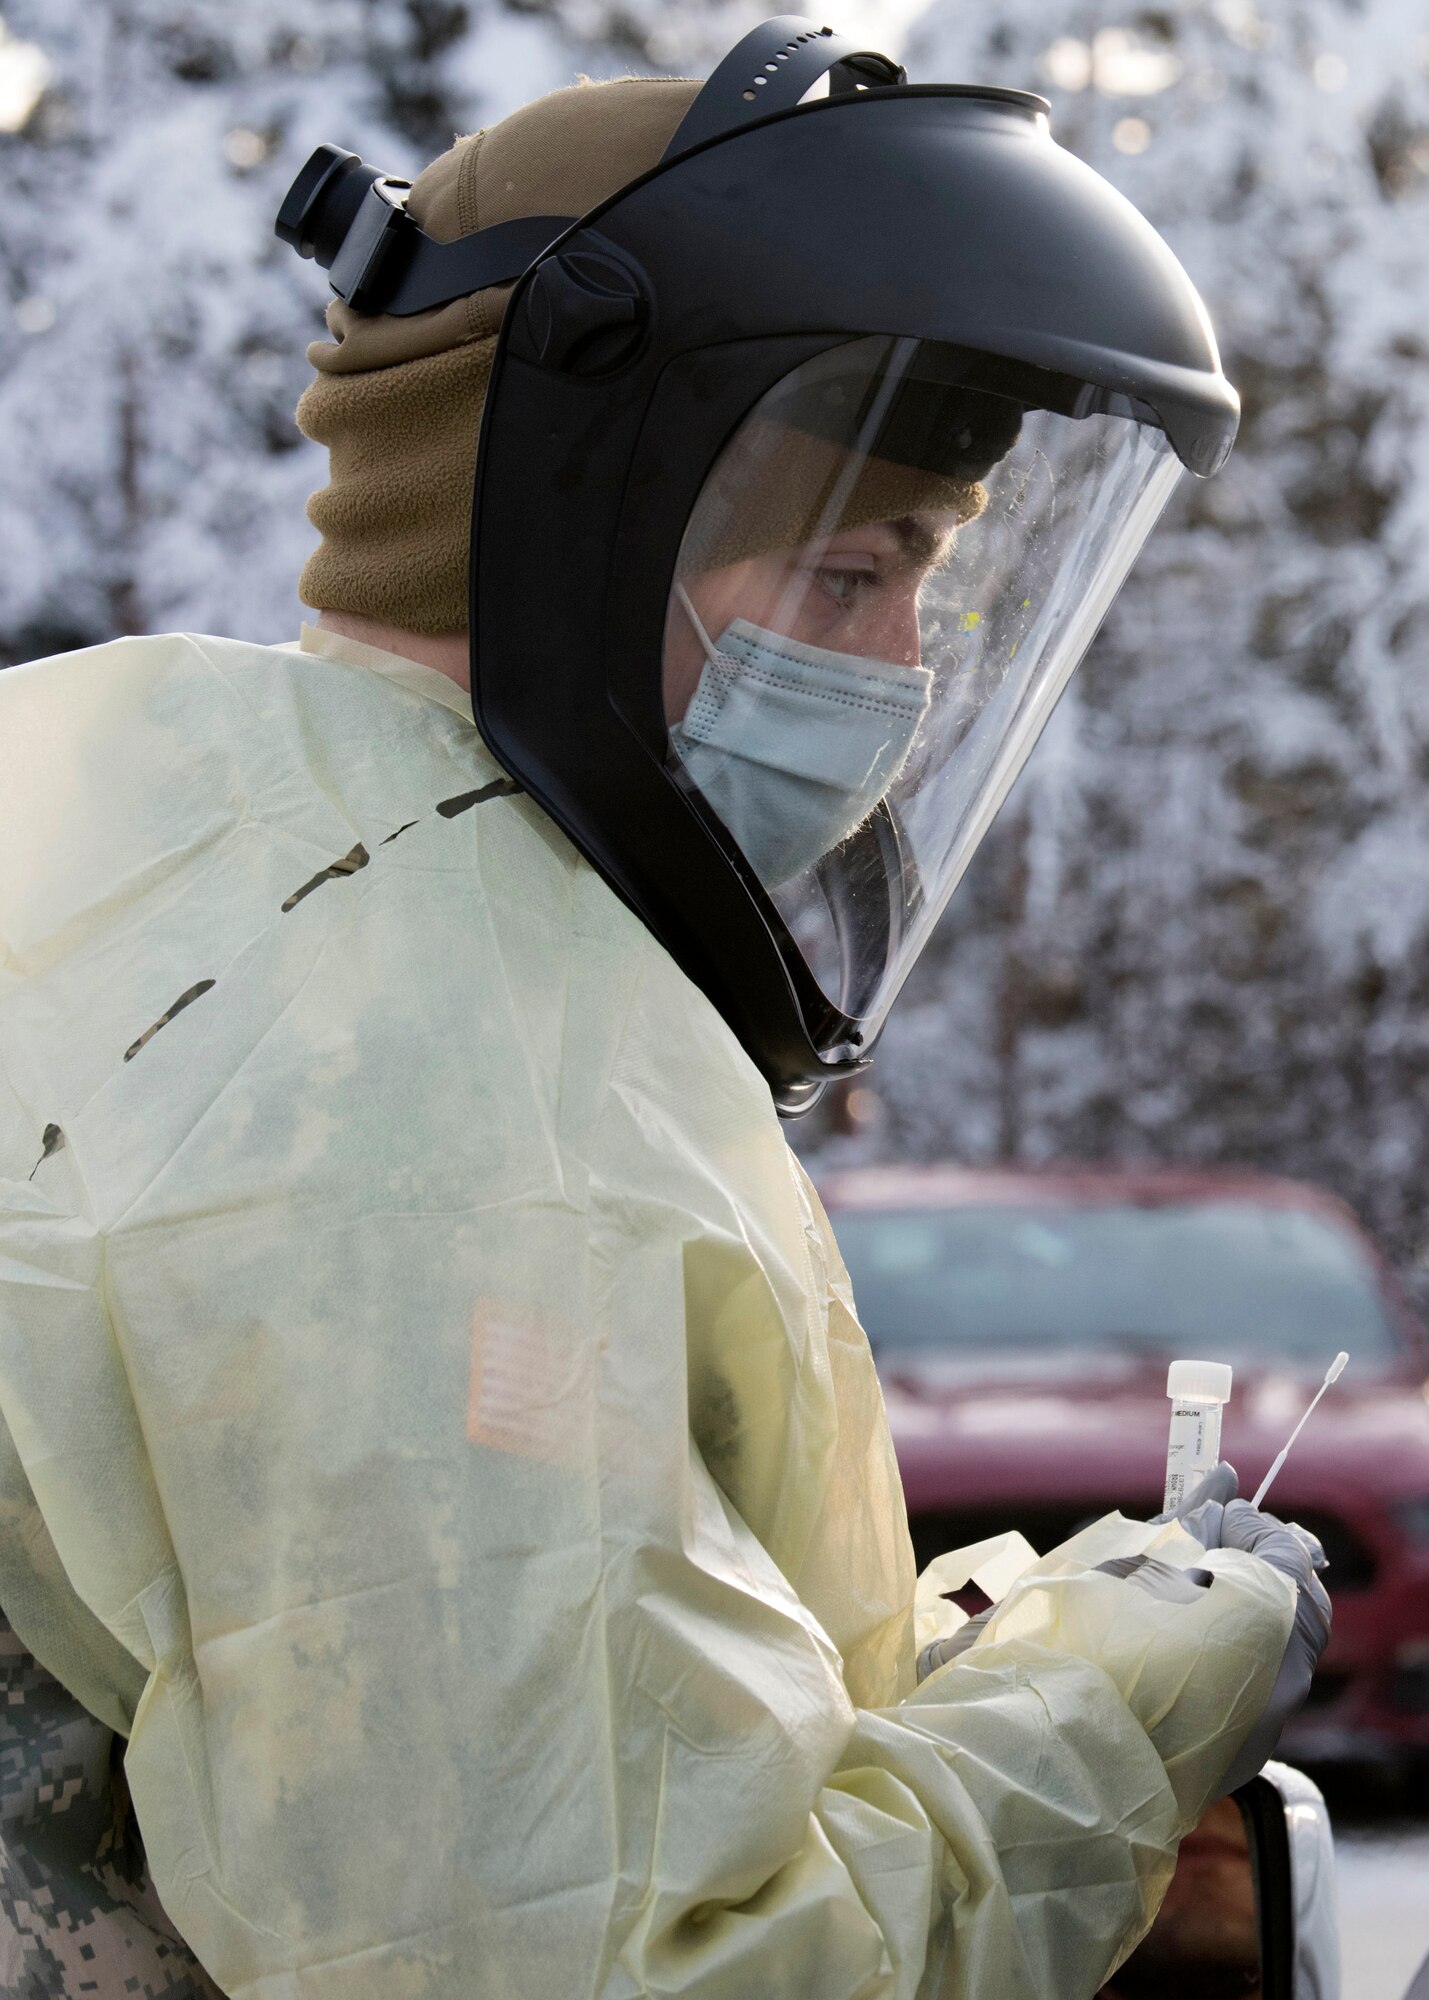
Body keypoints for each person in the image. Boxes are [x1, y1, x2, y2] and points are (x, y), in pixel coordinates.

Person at [0, 23, 1331, 1998]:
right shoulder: (431, 1109)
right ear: (582, 525)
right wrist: (1120, 1704)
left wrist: (1007, 1650)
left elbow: (523, 1705)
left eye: (933, 599)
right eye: (856, 570)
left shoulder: (174, 846)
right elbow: (595, 1963)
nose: (897, 675)